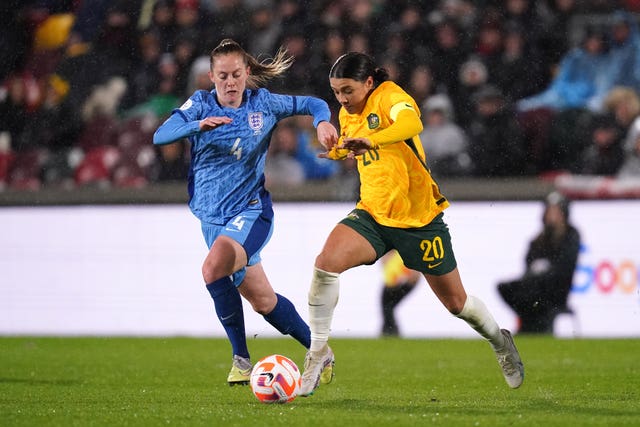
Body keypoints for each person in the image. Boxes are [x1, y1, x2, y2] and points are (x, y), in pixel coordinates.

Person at [298, 52, 524, 397]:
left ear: (369, 82)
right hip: (373, 214)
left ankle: (499, 340)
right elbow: (361, 151)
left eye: (347, 90)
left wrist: (373, 139)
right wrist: (339, 152)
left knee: (457, 304)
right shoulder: (348, 113)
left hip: (419, 220)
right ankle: (317, 352)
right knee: (325, 265)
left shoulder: (391, 96)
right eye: (336, 92)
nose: (342, 99)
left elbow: (411, 125)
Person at [153, 39, 338, 386]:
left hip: (251, 212)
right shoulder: (199, 105)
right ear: (210, 76)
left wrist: (322, 122)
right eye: (222, 75)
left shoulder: (264, 104)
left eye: (236, 74)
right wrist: (198, 125)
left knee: (212, 269)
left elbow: (314, 103)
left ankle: (241, 360)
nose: (230, 82)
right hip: (212, 219)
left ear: (247, 73)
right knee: (264, 301)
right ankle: (320, 349)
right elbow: (161, 135)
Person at [497, 192, 581, 334]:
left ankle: (536, 325)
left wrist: (544, 272)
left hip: (555, 289)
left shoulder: (570, 236)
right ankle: (528, 322)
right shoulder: (539, 238)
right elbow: (528, 262)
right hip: (535, 285)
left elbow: (564, 267)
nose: (552, 216)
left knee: (533, 292)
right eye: (549, 211)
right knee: (506, 288)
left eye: (556, 211)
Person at [379, 250, 421, 337]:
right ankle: (389, 330)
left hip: (401, 284)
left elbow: (413, 273)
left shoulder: (402, 253)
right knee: (387, 307)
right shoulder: (389, 253)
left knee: (388, 307)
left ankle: (390, 331)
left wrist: (402, 279)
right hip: (390, 284)